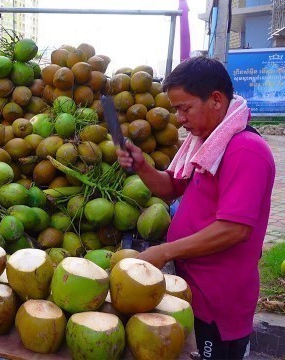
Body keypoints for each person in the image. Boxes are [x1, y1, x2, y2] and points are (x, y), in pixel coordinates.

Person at [116, 56, 275, 360]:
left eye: (184, 108)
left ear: (216, 100)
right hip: (192, 291)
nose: (179, 119)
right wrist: (141, 166)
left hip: (218, 301)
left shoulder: (245, 150)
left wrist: (164, 252)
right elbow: (171, 187)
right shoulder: (206, 144)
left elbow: (234, 229)